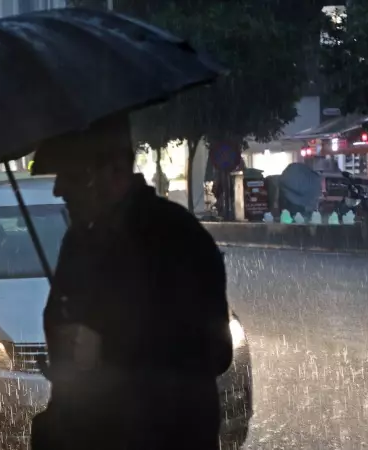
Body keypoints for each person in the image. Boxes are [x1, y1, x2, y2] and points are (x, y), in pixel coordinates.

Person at [29, 112, 233, 450]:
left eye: (73, 175)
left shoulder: (178, 238)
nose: (58, 189)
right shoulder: (79, 242)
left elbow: (214, 352)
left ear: (116, 171)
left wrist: (108, 350)